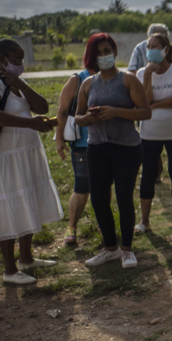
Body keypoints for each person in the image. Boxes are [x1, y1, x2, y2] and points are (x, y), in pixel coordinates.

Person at [0, 38, 63, 285]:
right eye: (16, 60)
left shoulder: (14, 82)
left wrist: (22, 84)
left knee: (27, 202)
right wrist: (30, 123)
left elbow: (42, 106)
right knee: (8, 208)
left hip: (26, 155)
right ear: (1, 59)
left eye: (22, 60)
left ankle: (26, 258)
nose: (20, 65)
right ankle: (10, 270)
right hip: (5, 161)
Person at [75, 33, 151, 269]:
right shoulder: (88, 83)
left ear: (115, 52)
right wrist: (88, 117)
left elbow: (145, 112)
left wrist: (116, 111)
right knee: (98, 199)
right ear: (91, 57)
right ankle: (110, 248)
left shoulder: (128, 80)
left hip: (126, 147)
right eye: (98, 53)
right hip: (97, 147)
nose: (104, 56)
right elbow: (77, 117)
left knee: (123, 197)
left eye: (107, 51)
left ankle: (127, 250)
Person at [135, 33, 172, 232]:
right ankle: (144, 221)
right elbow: (144, 100)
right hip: (149, 134)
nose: (150, 49)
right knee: (148, 174)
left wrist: (155, 105)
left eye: (155, 45)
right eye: (148, 46)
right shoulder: (142, 73)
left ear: (165, 50)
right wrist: (149, 74)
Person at [128, 23, 172, 182]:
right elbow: (132, 72)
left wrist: (156, 104)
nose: (153, 48)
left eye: (163, 37)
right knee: (151, 151)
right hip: (149, 118)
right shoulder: (140, 50)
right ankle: (155, 174)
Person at [55, 56, 98, 246]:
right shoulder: (77, 79)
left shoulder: (114, 77)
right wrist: (59, 139)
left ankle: (103, 226)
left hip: (108, 143)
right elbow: (63, 110)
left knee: (103, 189)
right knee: (81, 189)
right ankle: (72, 228)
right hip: (83, 145)